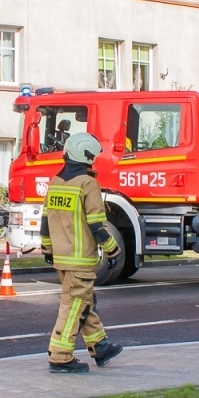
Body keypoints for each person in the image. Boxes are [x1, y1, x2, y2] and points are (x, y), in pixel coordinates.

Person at [39, 132, 124, 373]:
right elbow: (97, 225)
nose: (94, 162)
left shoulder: (55, 182)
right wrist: (113, 250)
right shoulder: (88, 184)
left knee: (84, 302)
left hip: (62, 259)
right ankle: (60, 356)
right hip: (80, 260)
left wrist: (47, 248)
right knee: (74, 306)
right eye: (93, 157)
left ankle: (100, 345)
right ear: (86, 156)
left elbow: (46, 221)